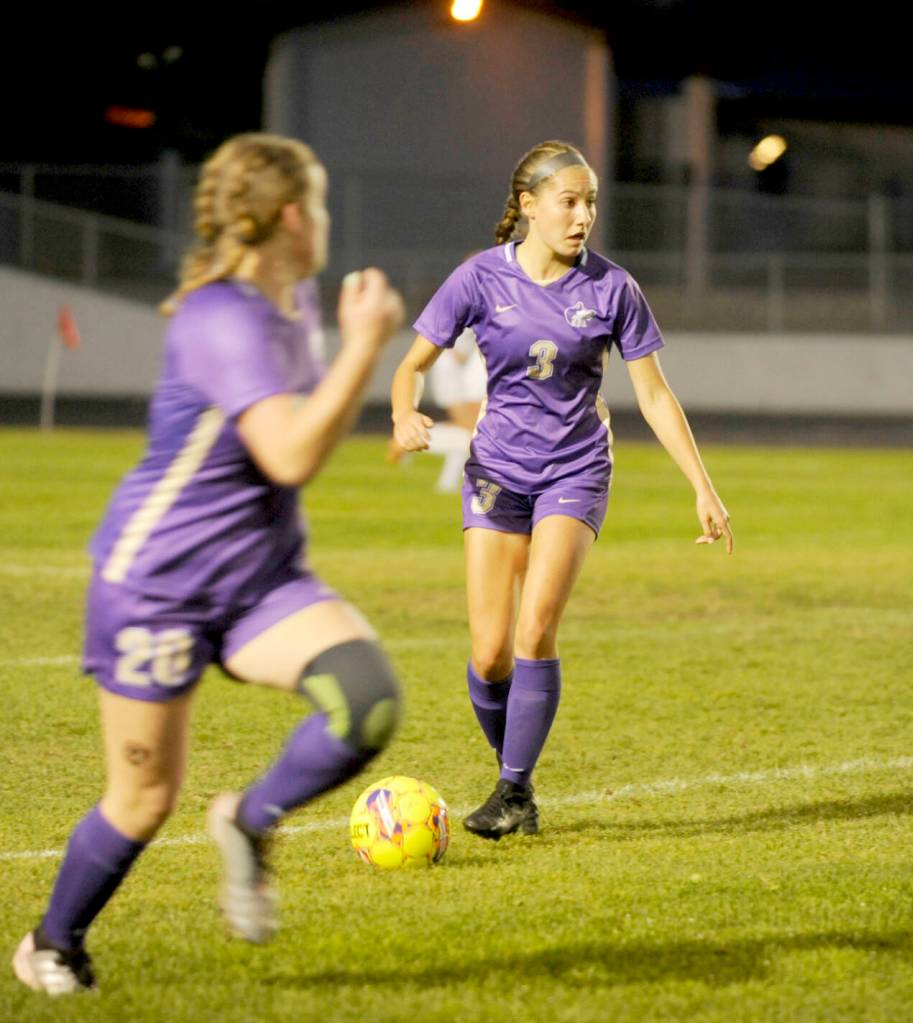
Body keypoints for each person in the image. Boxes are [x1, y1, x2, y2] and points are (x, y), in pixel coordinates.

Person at [13, 132, 404, 996]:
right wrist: (363, 348)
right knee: (143, 801)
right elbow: (290, 454)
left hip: (258, 578)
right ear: (296, 216)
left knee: (366, 698)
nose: (329, 221)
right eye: (324, 204)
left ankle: (251, 820)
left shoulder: (293, 298)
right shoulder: (222, 315)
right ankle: (52, 942)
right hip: (159, 585)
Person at [390, 139, 732, 841]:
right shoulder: (478, 279)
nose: (583, 217)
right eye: (568, 202)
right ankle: (516, 778)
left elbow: (657, 397)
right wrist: (403, 411)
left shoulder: (613, 289)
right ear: (528, 207)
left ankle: (511, 788)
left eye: (591, 203)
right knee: (489, 653)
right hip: (495, 473)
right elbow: (411, 365)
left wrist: (703, 485)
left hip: (575, 470)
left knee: (534, 628)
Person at [387, 325, 487, 492]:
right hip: (461, 370)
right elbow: (458, 351)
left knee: (474, 433)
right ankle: (408, 436)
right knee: (475, 432)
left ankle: (447, 484)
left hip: (461, 369)